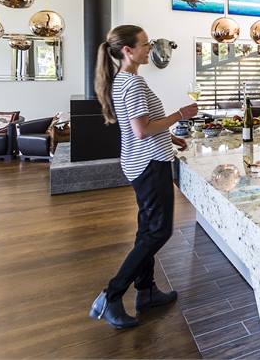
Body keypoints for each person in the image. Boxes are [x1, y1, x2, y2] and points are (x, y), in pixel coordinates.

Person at [89, 25, 198, 329]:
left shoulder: (124, 80)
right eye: (145, 44)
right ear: (128, 50)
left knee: (146, 229)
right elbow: (141, 130)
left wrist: (171, 138)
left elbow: (141, 127)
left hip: (141, 160)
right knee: (158, 232)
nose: (150, 48)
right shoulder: (133, 84)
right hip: (150, 164)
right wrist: (181, 114)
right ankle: (110, 296)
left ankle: (146, 291)